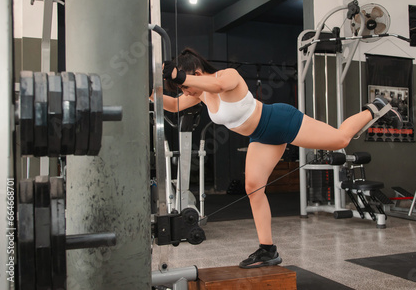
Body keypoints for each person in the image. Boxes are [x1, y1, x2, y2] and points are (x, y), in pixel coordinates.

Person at [155, 47, 402, 269]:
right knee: (253, 188)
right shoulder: (201, 94)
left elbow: (218, 87)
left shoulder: (226, 76)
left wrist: (182, 77)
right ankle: (268, 249)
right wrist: (147, 92)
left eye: (186, 86)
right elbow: (173, 106)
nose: (186, 91)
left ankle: (375, 108)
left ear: (196, 71)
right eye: (183, 89)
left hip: (280, 121)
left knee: (340, 140)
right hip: (261, 137)